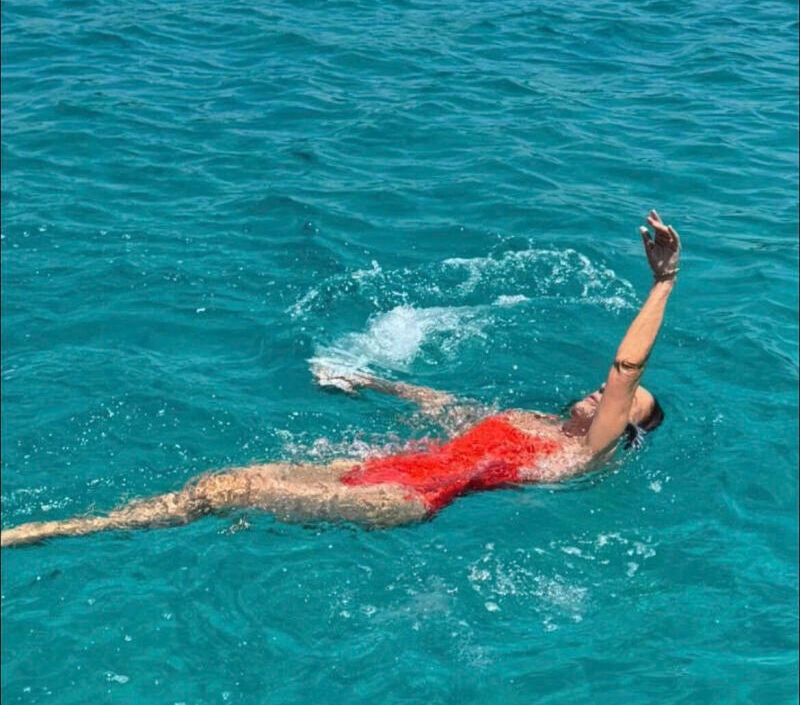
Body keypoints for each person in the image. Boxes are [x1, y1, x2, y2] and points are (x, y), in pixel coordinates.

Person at [0, 212, 680, 548]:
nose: (604, 393)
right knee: (219, 485)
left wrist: (663, 281)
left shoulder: (578, 452)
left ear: (621, 432)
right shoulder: (535, 422)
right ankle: (66, 527)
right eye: (609, 394)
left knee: (221, 490)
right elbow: (451, 408)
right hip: (389, 468)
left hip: (409, 499)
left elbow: (626, 367)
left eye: (623, 406)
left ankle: (52, 531)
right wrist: (370, 382)